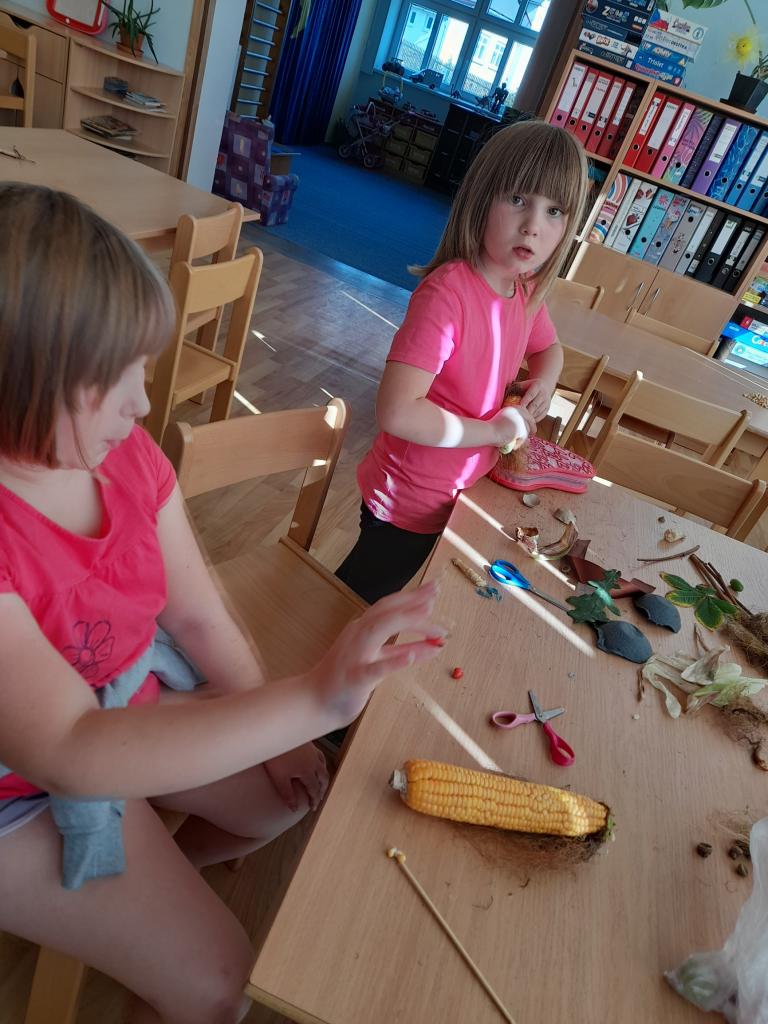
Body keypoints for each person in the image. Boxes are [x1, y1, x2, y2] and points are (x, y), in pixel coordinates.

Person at [0, 184, 445, 1024]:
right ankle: (145, 918)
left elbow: (200, 618)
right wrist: (313, 700)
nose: (142, 403)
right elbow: (70, 749)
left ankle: (155, 895)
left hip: (119, 705)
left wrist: (291, 731)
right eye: (111, 379)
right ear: (17, 378)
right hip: (18, 794)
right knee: (221, 989)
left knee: (286, 796)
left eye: (142, 369)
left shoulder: (128, 457)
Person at [336, 120, 589, 604]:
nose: (533, 225)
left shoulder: (522, 290)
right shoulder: (448, 294)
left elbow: (549, 348)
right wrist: (494, 431)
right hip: (410, 499)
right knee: (355, 604)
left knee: (403, 603)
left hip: (462, 491)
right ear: (481, 198)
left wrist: (545, 382)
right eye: (518, 199)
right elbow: (398, 412)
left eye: (554, 211)